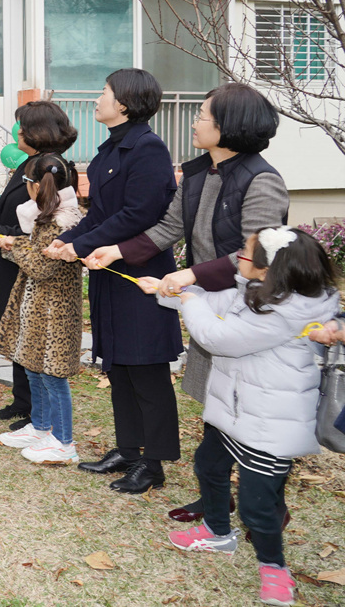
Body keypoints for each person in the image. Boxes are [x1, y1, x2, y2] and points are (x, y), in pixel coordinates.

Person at [85, 82, 287, 521]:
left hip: (247, 309)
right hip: (208, 302)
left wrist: (189, 274)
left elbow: (256, 255)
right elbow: (166, 228)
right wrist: (116, 251)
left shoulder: (262, 179)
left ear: (229, 126)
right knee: (216, 399)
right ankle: (218, 492)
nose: (194, 122)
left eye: (202, 116)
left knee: (242, 402)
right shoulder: (198, 172)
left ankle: (261, 500)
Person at [146, 227, 339, 607]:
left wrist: (187, 298)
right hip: (235, 408)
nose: (239, 256)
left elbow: (216, 337)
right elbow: (213, 302)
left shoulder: (284, 312)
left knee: (257, 505)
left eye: (245, 253)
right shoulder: (262, 292)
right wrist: (166, 291)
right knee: (209, 466)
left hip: (269, 423)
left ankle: (274, 568)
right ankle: (217, 532)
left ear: (269, 270)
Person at [44, 69, 183, 494]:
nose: (98, 99)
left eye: (104, 92)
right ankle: (129, 448)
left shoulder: (147, 148)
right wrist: (68, 239)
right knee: (118, 365)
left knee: (146, 368)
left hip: (139, 269)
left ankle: (153, 462)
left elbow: (140, 214)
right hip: (108, 269)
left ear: (124, 102)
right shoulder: (110, 148)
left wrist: (82, 243)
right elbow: (103, 214)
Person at [0, 100, 78, 430]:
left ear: (39, 131)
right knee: (19, 333)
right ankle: (24, 402)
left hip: (30, 262)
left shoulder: (51, 168)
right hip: (14, 259)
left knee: (32, 337)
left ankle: (38, 412)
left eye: (22, 125)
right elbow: (10, 209)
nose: (17, 131)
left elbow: (38, 226)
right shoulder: (30, 162)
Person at [0, 153, 85, 464]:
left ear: (34, 186)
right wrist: (16, 244)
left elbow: (42, 267)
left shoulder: (60, 221)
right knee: (33, 367)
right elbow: (34, 254)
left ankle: (64, 440)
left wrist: (13, 246)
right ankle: (41, 427)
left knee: (53, 374)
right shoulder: (45, 218)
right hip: (37, 306)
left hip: (54, 310)